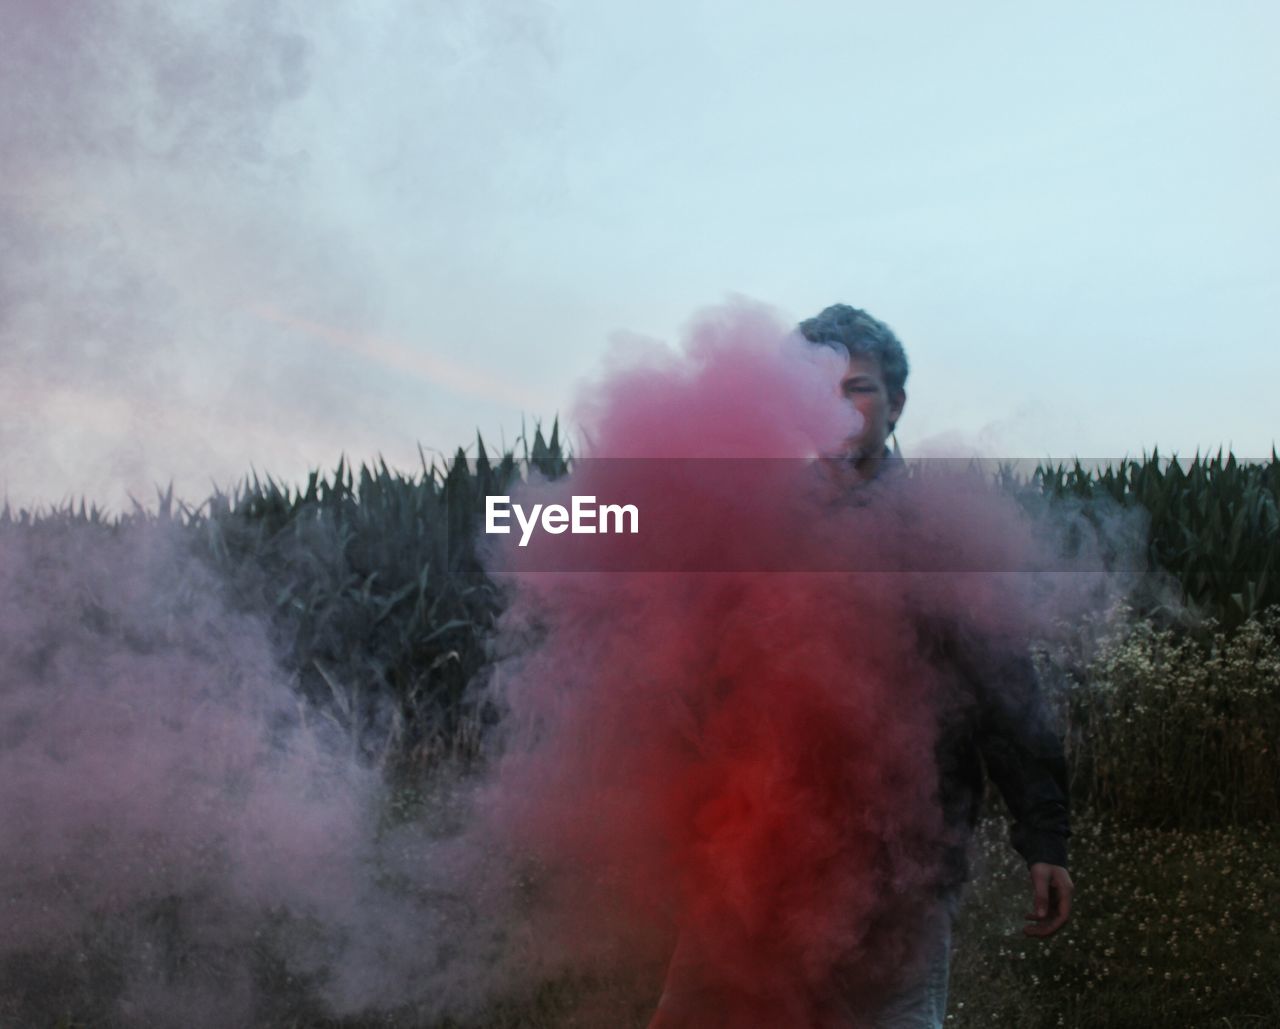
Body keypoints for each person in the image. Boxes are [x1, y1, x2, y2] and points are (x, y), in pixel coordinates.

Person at [647, 304, 1073, 1028]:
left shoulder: (937, 528)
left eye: (858, 388)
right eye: (815, 390)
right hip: (758, 848)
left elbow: (1006, 689)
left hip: (900, 862)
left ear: (896, 403)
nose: (836, 409)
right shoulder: (763, 522)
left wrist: (1045, 837)